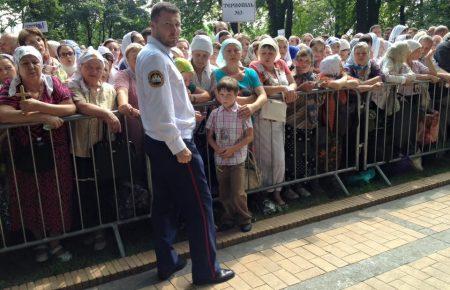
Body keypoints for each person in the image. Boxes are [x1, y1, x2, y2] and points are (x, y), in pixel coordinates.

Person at [135, 2, 234, 285]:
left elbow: (169, 103)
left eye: (178, 24)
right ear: (153, 25)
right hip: (175, 146)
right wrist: (180, 147)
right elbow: (159, 109)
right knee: (200, 209)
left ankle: (167, 262)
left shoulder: (158, 54)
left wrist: (188, 115)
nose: (175, 30)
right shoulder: (154, 57)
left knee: (165, 206)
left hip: (163, 142)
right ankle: (207, 271)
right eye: (168, 24)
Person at [0, 46, 76, 262]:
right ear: (18, 66)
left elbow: (69, 108)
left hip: (55, 152)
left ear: (41, 62)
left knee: (56, 196)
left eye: (34, 61)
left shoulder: (52, 82)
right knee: (30, 197)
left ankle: (54, 241)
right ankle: (39, 241)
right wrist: (42, 117)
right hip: (25, 154)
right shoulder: (10, 86)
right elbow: (4, 115)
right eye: (25, 63)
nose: (31, 66)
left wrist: (37, 107)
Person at [69, 47, 121, 251]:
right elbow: (80, 106)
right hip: (81, 148)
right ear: (81, 67)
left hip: (104, 149)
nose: (93, 70)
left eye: (98, 67)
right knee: (85, 191)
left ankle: (103, 230)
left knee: (104, 188)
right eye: (89, 66)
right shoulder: (73, 85)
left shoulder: (109, 89)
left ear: (104, 70)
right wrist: (107, 115)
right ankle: (88, 230)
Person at [249, 37, 300, 209]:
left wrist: (291, 90)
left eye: (271, 51)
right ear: (258, 53)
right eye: (264, 51)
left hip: (279, 114)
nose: (267, 54)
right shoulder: (254, 67)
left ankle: (277, 190)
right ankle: (264, 192)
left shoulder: (281, 64)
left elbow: (292, 82)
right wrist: (282, 89)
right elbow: (259, 89)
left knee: (278, 156)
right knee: (264, 156)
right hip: (262, 116)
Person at [206, 77, 253, 232]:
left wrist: (233, 149)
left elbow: (249, 136)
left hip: (237, 158)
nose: (224, 98)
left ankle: (244, 217)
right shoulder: (214, 114)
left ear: (236, 94)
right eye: (222, 95)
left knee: (238, 191)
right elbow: (209, 136)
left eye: (229, 95)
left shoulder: (242, 112)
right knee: (224, 190)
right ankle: (229, 217)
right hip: (220, 159)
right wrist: (216, 147)